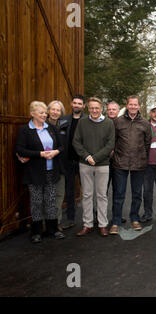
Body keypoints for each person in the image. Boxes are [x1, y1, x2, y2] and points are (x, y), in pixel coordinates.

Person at [15, 101, 65, 243]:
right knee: (36, 202)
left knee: (51, 200)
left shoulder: (51, 128)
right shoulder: (25, 130)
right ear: (32, 114)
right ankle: (36, 232)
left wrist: (55, 151)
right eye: (41, 112)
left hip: (51, 171)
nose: (45, 115)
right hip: (34, 172)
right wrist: (40, 154)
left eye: (45, 113)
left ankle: (53, 229)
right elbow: (20, 149)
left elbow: (61, 146)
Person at [72, 97, 115, 237]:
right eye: (91, 108)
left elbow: (110, 144)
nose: (94, 110)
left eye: (97, 108)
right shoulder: (82, 122)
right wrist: (87, 157)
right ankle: (87, 224)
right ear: (88, 108)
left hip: (102, 164)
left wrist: (95, 158)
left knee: (102, 195)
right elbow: (76, 142)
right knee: (87, 195)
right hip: (85, 164)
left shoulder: (108, 123)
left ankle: (103, 224)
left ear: (101, 108)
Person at [109, 96, 152, 234]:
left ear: (139, 106)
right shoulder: (118, 122)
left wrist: (142, 157)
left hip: (138, 164)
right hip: (120, 163)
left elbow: (147, 143)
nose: (133, 107)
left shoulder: (145, 123)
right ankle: (115, 222)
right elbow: (113, 141)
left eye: (135, 105)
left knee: (137, 194)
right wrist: (116, 156)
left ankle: (134, 218)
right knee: (119, 194)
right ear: (127, 106)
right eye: (131, 104)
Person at [59, 94, 85, 229]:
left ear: (83, 106)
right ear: (71, 104)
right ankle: (70, 218)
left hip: (83, 161)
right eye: (75, 103)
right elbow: (60, 139)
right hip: (68, 161)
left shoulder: (87, 120)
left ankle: (90, 218)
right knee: (69, 191)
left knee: (87, 191)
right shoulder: (63, 120)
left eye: (79, 103)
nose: (76, 105)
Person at [47, 100, 67, 231]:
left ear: (61, 113)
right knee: (47, 196)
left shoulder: (64, 125)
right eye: (53, 109)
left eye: (58, 110)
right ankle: (45, 223)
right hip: (46, 166)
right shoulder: (41, 125)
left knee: (59, 195)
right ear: (48, 110)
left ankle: (57, 221)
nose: (55, 112)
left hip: (61, 166)